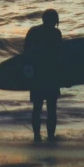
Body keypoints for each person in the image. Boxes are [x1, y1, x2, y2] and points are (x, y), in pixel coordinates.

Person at [24, 8, 62, 142]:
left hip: (37, 75)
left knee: (37, 107)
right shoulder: (56, 33)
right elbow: (59, 56)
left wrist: (28, 73)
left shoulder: (33, 31)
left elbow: (26, 54)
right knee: (52, 108)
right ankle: (51, 136)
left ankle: (36, 136)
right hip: (51, 75)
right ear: (55, 21)